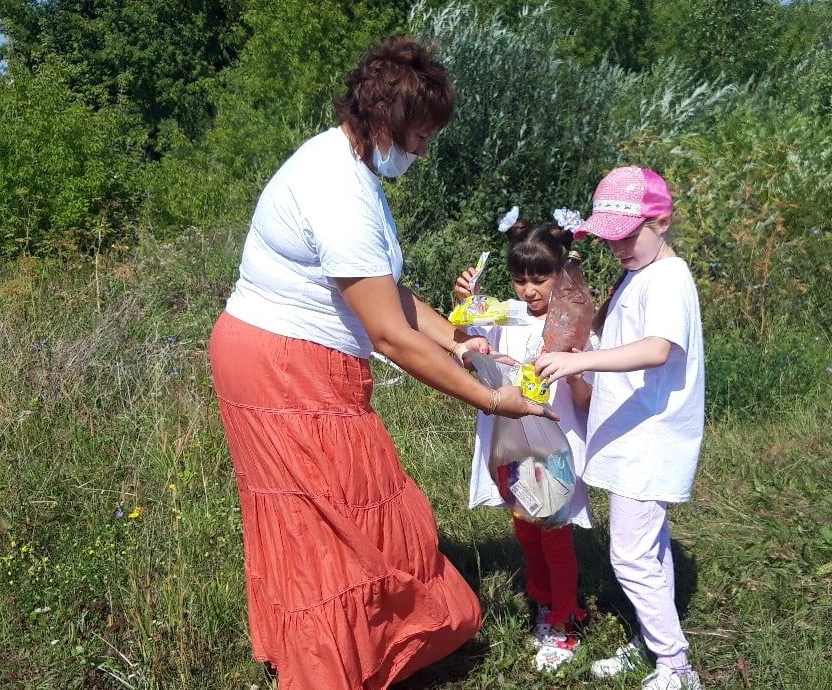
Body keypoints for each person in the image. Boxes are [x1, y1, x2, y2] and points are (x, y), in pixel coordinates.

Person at [207, 35, 555, 690]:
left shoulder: (350, 168)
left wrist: (456, 340)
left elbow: (386, 292)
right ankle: (323, 672)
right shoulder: (339, 190)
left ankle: (346, 661)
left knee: (339, 521)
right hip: (283, 369)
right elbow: (390, 336)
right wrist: (491, 399)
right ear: (383, 121)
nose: (423, 150)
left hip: (294, 361)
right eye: (419, 135)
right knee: (328, 530)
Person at [536, 166, 707, 690]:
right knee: (650, 550)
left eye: (628, 236)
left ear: (663, 220)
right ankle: (652, 642)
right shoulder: (642, 273)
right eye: (610, 240)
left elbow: (658, 350)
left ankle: (675, 665)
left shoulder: (669, 279)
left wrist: (582, 363)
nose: (619, 248)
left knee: (629, 554)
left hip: (652, 440)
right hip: (635, 435)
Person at [451, 213, 594, 672]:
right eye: (519, 280)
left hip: (552, 446)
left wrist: (571, 368)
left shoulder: (574, 327)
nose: (529, 291)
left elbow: (587, 395)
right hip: (510, 445)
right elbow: (467, 347)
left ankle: (566, 616)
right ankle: (542, 598)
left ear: (561, 274)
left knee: (553, 532)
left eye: (540, 279)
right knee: (524, 526)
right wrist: (465, 313)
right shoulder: (504, 318)